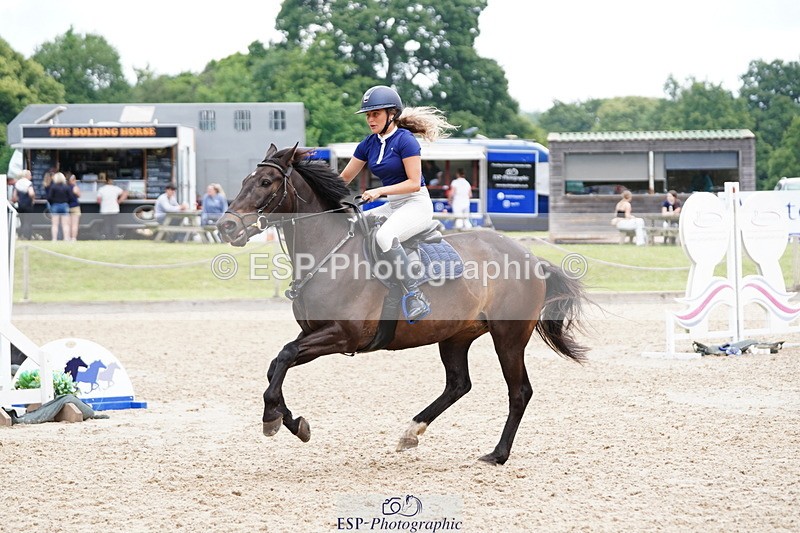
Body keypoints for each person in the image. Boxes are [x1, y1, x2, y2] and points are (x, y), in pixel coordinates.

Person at [340, 85, 456, 321]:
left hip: (416, 204)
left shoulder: (406, 141)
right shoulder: (368, 144)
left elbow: (414, 183)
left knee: (384, 237)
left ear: (391, 114)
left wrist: (378, 191)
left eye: (376, 114)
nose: (370, 120)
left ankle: (414, 295)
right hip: (393, 205)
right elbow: (343, 179)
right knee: (355, 226)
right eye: (368, 115)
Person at [46, 172, 72, 241]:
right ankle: (66, 238)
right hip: (64, 205)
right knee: (65, 224)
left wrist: (52, 203)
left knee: (55, 224)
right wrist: (67, 202)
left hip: (55, 205)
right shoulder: (66, 187)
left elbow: (49, 197)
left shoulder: (53, 187)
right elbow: (71, 197)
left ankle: (54, 239)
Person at [11, 169, 35, 240]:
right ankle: (27, 236)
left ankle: (20, 235)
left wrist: (19, 200)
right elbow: (31, 193)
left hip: (20, 205)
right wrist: (33, 199)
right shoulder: (29, 183)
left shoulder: (17, 183)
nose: (31, 176)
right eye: (30, 175)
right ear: (27, 175)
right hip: (28, 205)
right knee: (28, 221)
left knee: (22, 221)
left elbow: (14, 197)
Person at [67, 173, 81, 241]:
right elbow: (79, 194)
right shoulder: (75, 187)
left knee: (68, 224)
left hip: (67, 206)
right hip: (75, 206)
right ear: (72, 180)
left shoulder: (65, 187)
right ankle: (73, 238)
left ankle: (68, 237)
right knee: (75, 224)